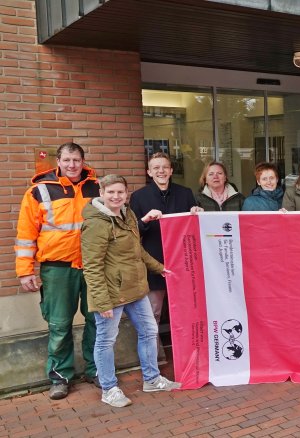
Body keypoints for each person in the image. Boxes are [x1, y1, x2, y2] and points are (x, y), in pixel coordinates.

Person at [81, 174, 181, 408]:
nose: (116, 196)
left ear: (127, 195)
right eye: (111, 192)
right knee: (105, 341)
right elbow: (92, 266)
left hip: (136, 288)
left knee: (148, 331)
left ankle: (152, 379)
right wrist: (102, 301)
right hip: (111, 293)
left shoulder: (128, 215)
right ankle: (108, 388)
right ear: (101, 193)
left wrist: (159, 268)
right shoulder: (96, 223)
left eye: (120, 192)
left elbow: (137, 251)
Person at [14, 142, 98, 400]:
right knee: (60, 325)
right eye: (67, 160)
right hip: (58, 269)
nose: (72, 165)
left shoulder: (97, 187)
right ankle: (60, 377)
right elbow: (26, 235)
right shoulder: (39, 191)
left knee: (98, 320)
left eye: (77, 160)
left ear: (84, 161)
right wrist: (25, 271)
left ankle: (96, 370)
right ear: (58, 161)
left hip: (94, 266)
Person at [130, 152, 202, 330]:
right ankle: (154, 355)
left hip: (182, 262)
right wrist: (145, 220)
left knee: (186, 310)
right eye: (156, 168)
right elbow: (131, 232)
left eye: (164, 167)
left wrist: (197, 214)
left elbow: (193, 229)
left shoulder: (185, 193)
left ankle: (187, 354)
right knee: (153, 312)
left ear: (171, 171)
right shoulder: (138, 197)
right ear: (149, 172)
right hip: (154, 262)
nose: (160, 171)